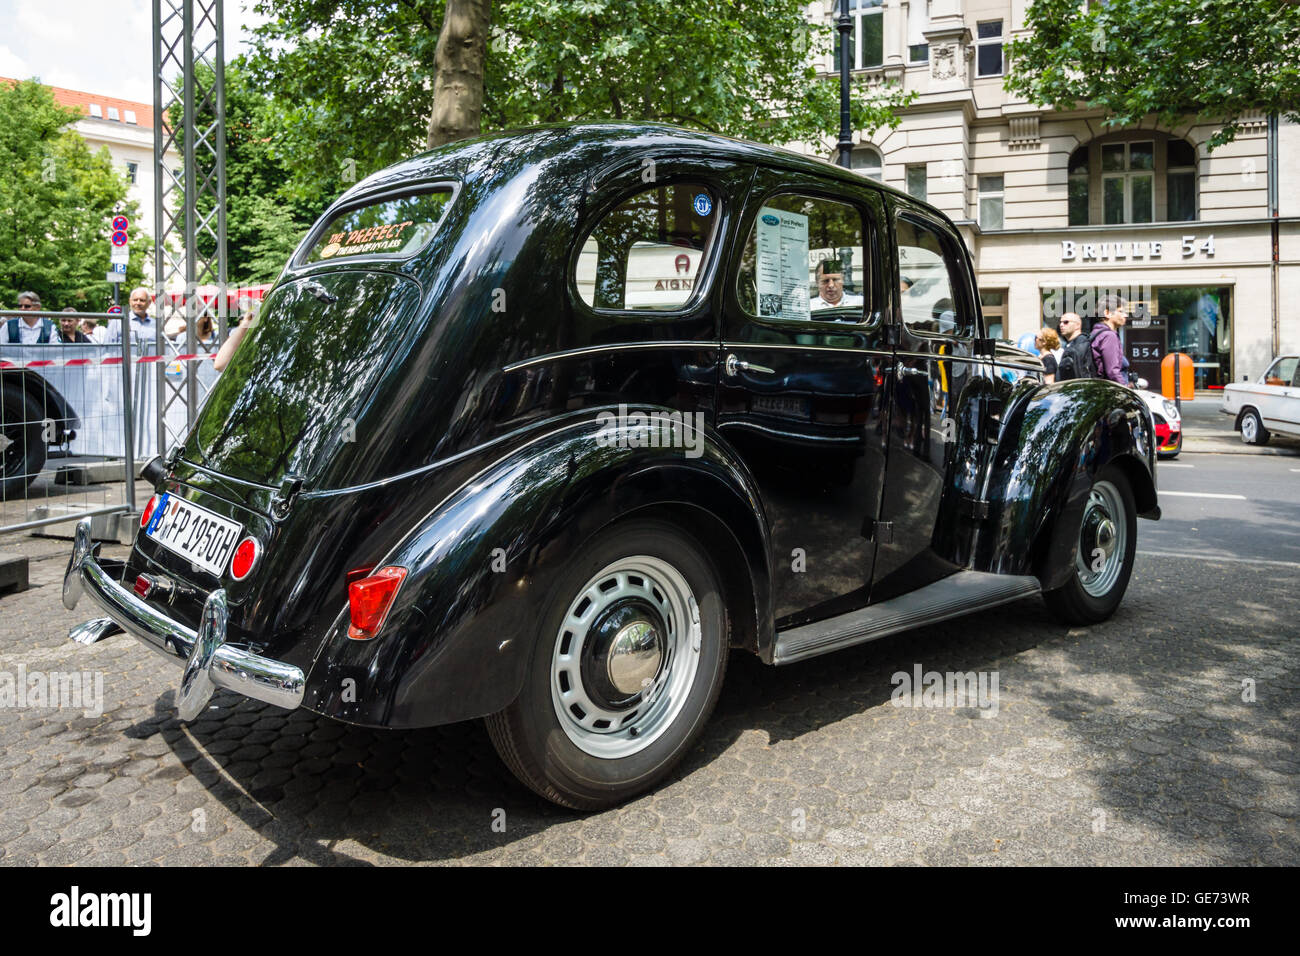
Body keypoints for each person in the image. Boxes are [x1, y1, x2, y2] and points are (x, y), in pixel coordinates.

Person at [1090, 294, 1129, 384]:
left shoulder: (1095, 333)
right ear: (1107, 313)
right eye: (1120, 311)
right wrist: (1126, 392)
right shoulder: (1109, 336)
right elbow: (1113, 372)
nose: (1125, 315)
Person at [1054, 312, 1094, 381]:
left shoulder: (1081, 345)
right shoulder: (1070, 345)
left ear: (1077, 325)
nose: (1061, 325)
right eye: (1060, 322)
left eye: (1066, 322)